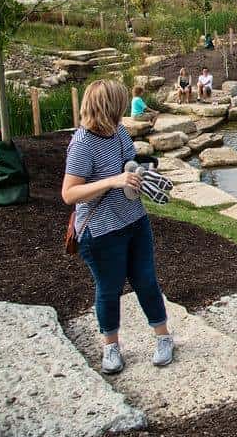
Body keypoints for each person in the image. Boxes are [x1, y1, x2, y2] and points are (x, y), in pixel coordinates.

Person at [61, 79, 173, 375]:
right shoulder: (82, 144)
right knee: (109, 289)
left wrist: (144, 173)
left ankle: (163, 337)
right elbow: (69, 194)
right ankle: (111, 346)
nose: (123, 108)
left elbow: (128, 165)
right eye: (119, 103)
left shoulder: (118, 132)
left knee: (147, 281)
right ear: (108, 106)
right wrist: (112, 181)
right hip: (101, 231)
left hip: (134, 221)